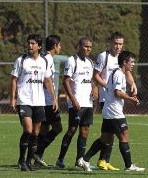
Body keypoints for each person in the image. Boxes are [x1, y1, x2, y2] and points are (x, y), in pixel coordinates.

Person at [78, 51, 145, 172]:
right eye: (132, 62)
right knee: (124, 136)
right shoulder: (118, 74)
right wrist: (130, 98)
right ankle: (129, 166)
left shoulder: (118, 72)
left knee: (105, 138)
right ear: (124, 62)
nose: (133, 64)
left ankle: (85, 160)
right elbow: (117, 92)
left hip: (109, 110)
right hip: (114, 112)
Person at [10, 34, 58, 171]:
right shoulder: (21, 60)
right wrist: (12, 98)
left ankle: (29, 162)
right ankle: (21, 160)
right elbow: (13, 79)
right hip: (24, 100)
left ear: (39, 46)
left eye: (33, 43)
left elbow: (48, 80)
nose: (30, 46)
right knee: (28, 130)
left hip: (39, 101)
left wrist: (54, 98)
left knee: (36, 133)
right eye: (29, 43)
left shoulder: (44, 61)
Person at [93, 31, 137, 170]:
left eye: (120, 44)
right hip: (107, 98)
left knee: (109, 133)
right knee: (113, 133)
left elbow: (127, 73)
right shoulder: (103, 56)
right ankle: (102, 160)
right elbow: (96, 75)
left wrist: (133, 84)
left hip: (116, 99)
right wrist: (107, 86)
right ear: (110, 42)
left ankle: (102, 160)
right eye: (116, 43)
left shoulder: (122, 58)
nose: (118, 47)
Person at [56, 37, 97, 168]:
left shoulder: (90, 62)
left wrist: (95, 87)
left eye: (90, 47)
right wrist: (73, 99)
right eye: (85, 46)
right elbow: (66, 81)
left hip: (88, 103)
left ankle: (80, 161)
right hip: (76, 102)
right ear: (79, 46)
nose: (88, 49)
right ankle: (60, 159)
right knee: (72, 130)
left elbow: (90, 79)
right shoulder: (72, 60)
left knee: (85, 131)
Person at [33, 35, 63, 167]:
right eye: (59, 45)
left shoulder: (43, 57)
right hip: (47, 101)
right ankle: (37, 153)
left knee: (44, 129)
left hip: (43, 100)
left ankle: (36, 157)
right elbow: (46, 81)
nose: (60, 47)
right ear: (55, 46)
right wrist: (54, 98)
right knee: (58, 128)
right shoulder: (48, 59)